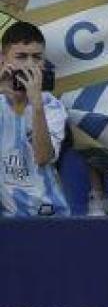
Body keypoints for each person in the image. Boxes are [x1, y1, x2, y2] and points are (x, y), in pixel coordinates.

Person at [0, 21, 68, 217]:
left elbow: (43, 157)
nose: (30, 64)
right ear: (3, 59)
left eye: (36, 57)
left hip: (48, 214)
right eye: (21, 57)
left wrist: (36, 103)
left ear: (44, 62)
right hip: (8, 219)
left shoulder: (51, 106)